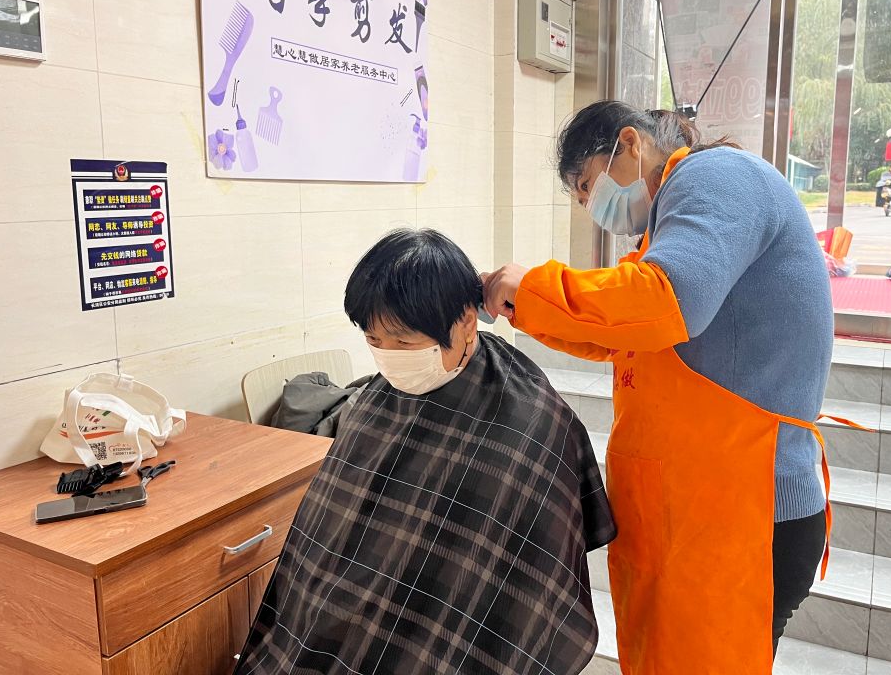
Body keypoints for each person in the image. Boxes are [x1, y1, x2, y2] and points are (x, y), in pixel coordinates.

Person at [482, 101, 838, 674]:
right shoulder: (668, 220)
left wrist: (534, 286)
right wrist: (521, 305)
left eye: (587, 185)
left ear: (629, 143)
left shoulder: (717, 176)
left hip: (741, 514)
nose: (592, 207)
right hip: (693, 510)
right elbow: (626, 336)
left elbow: (666, 297)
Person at [236, 228, 616, 675]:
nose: (388, 356)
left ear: (467, 322)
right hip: (336, 616)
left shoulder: (527, 418)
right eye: (374, 341)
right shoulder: (378, 398)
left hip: (451, 633)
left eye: (403, 342)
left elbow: (527, 564)